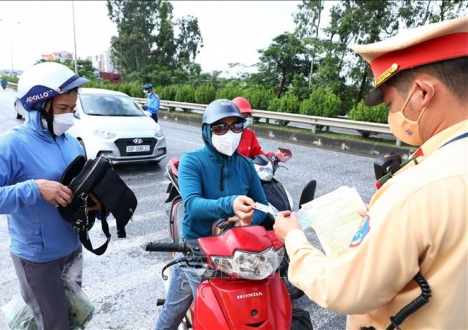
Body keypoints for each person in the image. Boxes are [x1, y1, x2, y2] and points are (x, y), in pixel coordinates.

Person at [274, 16, 467, 330]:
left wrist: (293, 238)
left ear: (422, 94)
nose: (392, 115)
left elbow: (341, 288)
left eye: (391, 103)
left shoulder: (416, 190)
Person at [0, 62, 102, 330]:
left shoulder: (69, 140)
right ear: (39, 104)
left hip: (71, 250)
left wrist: (95, 204)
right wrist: (35, 188)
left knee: (74, 319)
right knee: (55, 325)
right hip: (38, 259)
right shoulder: (13, 144)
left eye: (72, 109)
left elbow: (78, 187)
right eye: (62, 109)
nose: (69, 116)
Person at [155, 99, 269, 329]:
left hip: (236, 251)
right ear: (207, 131)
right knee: (188, 311)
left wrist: (249, 219)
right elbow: (193, 205)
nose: (229, 133)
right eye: (220, 127)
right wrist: (231, 203)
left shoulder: (246, 165)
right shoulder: (192, 161)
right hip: (197, 249)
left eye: (236, 126)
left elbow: (262, 206)